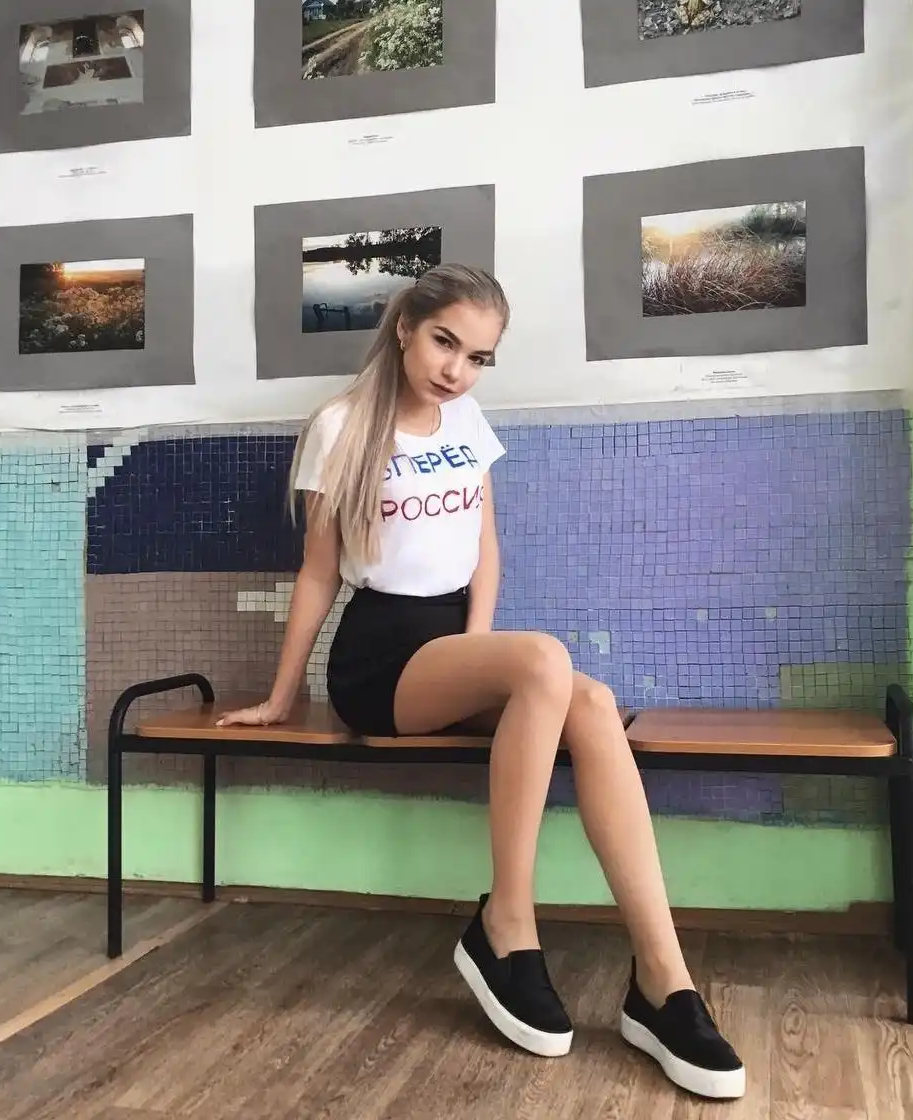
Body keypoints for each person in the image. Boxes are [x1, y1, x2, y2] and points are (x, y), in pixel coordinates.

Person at [215, 263, 745, 1100]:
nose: (456, 369)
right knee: (545, 662)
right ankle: (507, 924)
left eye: (478, 357)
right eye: (444, 342)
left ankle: (663, 980)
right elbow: (318, 573)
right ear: (405, 328)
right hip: (381, 657)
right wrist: (284, 694)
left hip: (454, 643)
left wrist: (476, 654)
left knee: (591, 702)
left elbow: (485, 547)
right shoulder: (342, 424)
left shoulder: (465, 418)